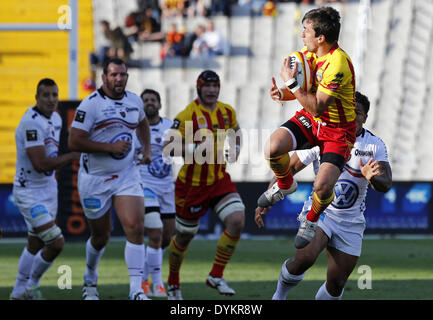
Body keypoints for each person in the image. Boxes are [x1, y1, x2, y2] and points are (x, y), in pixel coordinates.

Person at [255, 91, 392, 300]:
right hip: (320, 212)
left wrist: (372, 177)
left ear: (366, 117)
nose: (353, 117)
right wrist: (269, 196)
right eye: (349, 111)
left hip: (351, 220)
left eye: (358, 113)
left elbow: (385, 183)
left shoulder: (374, 145)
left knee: (337, 283)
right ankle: (279, 296)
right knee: (305, 258)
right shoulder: (323, 136)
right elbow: (289, 168)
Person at [257, 6, 357, 249]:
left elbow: (318, 107)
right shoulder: (309, 54)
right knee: (273, 147)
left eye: (306, 30)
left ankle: (311, 219)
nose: (302, 35)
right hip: (313, 122)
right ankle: (285, 184)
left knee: (322, 187)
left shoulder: (337, 64)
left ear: (320, 37)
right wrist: (282, 92)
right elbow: (303, 91)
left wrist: (290, 84)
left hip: (338, 130)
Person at [68, 58, 152, 300]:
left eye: (123, 75)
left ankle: (136, 290)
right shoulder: (90, 105)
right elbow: (74, 142)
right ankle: (90, 279)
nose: (119, 79)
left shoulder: (134, 100)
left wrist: (146, 150)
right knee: (100, 235)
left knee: (136, 227)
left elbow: (143, 124)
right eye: (114, 75)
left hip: (126, 174)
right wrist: (109, 146)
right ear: (104, 77)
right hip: (95, 179)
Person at [163, 70, 245, 300]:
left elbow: (237, 132)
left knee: (237, 220)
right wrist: (192, 149)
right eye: (206, 86)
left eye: (215, 85)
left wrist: (236, 149)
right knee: (184, 236)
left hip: (219, 180)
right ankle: (173, 282)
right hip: (191, 186)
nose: (211, 90)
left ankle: (216, 275)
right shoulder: (187, 114)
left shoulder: (227, 112)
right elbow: (168, 146)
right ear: (199, 89)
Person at [10, 78, 80, 300]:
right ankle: (31, 286)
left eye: (54, 95)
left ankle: (17, 292)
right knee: (56, 242)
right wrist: (71, 157)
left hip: (48, 189)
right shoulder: (31, 123)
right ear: (37, 98)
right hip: (29, 191)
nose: (51, 100)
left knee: (36, 242)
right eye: (46, 95)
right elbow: (40, 164)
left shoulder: (57, 118)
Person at [134, 89, 175, 298]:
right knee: (156, 233)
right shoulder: (135, 129)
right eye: (146, 100)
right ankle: (157, 284)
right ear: (141, 105)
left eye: (153, 100)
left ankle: (142, 278)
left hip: (167, 188)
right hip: (144, 186)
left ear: (159, 104)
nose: (150, 103)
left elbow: (182, 150)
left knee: (166, 238)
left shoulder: (169, 127)